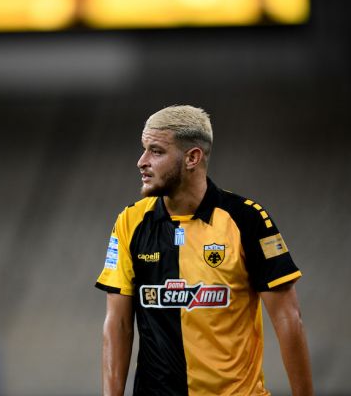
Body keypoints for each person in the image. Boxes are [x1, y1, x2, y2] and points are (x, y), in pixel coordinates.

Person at [95, 105, 313, 395]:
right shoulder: (130, 221)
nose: (141, 161)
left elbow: (288, 319)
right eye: (144, 149)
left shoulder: (247, 219)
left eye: (156, 151)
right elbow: (118, 323)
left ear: (192, 158)